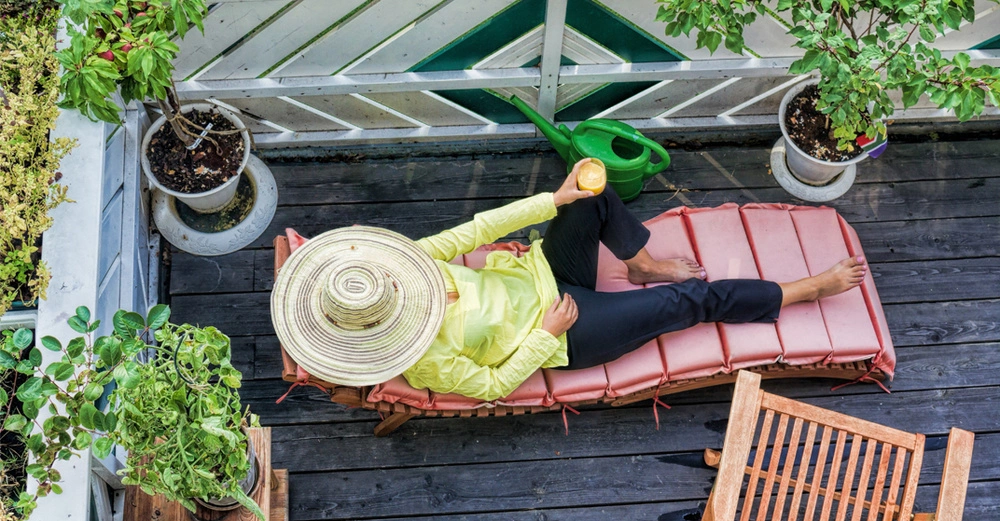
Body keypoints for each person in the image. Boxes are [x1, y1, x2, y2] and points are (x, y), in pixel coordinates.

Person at [270, 159, 867, 401]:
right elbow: (493, 385)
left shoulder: (402, 265)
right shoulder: (424, 361)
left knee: (588, 195)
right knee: (685, 301)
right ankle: (802, 290)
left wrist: (551, 200)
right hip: (566, 332)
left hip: (544, 274)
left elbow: (476, 230)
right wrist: (545, 334)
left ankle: (637, 262)